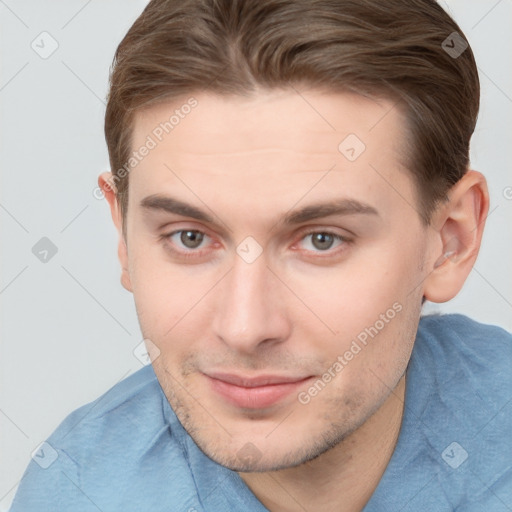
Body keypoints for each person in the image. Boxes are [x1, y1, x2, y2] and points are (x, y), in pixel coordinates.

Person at [10, 0, 512, 510]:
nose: (245, 328)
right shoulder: (74, 494)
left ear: (450, 240)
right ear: (123, 235)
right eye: (189, 237)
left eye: (322, 240)